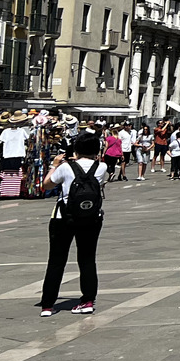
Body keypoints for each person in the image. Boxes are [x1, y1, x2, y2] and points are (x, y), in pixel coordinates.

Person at [39, 133, 108, 316]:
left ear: (76, 149)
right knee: (87, 259)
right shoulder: (101, 166)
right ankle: (87, 301)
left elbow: (46, 185)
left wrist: (54, 166)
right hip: (91, 218)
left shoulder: (66, 167)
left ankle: (47, 305)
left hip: (63, 217)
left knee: (56, 260)